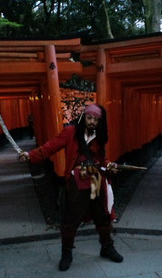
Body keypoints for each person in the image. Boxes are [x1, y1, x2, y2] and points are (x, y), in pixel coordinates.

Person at [19, 104, 123, 271]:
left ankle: (107, 247)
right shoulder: (70, 132)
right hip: (77, 182)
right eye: (89, 118)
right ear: (84, 117)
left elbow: (101, 159)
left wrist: (110, 165)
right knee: (71, 219)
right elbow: (49, 147)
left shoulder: (98, 136)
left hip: (96, 180)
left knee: (102, 215)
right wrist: (30, 156)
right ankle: (66, 253)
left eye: (96, 120)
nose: (92, 122)